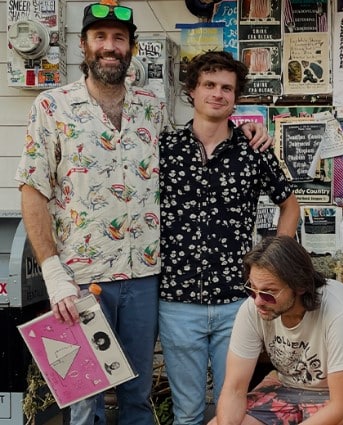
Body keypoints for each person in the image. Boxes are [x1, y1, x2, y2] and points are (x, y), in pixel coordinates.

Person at [14, 2, 270, 424]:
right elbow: (32, 191)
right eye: (100, 37)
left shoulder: (152, 108)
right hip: (81, 279)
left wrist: (244, 127)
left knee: (137, 394)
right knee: (85, 402)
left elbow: (199, 140)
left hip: (145, 278)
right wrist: (53, 273)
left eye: (119, 38)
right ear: (83, 45)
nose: (109, 46)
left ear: (131, 47)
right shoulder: (51, 107)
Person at [158, 51, 301, 425]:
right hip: (177, 301)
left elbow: (290, 206)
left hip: (237, 301)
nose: (217, 94)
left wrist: (276, 264)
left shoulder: (254, 149)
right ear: (192, 91)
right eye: (209, 85)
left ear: (236, 98)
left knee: (234, 408)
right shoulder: (165, 149)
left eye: (227, 88)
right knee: (186, 413)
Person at [209, 236, 343, 425]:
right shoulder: (253, 307)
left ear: (300, 286)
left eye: (269, 293)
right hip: (286, 385)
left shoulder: (340, 313)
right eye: (252, 290)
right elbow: (234, 389)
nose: (258, 301)